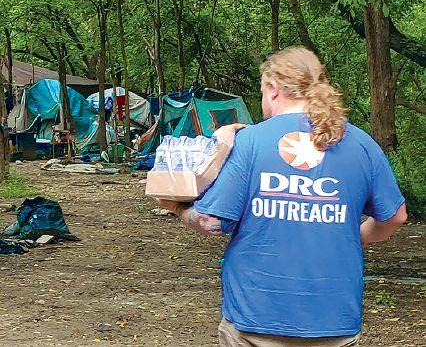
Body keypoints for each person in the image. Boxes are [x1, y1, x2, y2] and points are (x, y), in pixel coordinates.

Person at [157, 47, 407, 346]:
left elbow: (211, 222)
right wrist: (355, 235)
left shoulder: (248, 141)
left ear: (273, 88)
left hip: (256, 319)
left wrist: (176, 208)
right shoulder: (361, 143)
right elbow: (396, 217)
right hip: (333, 321)